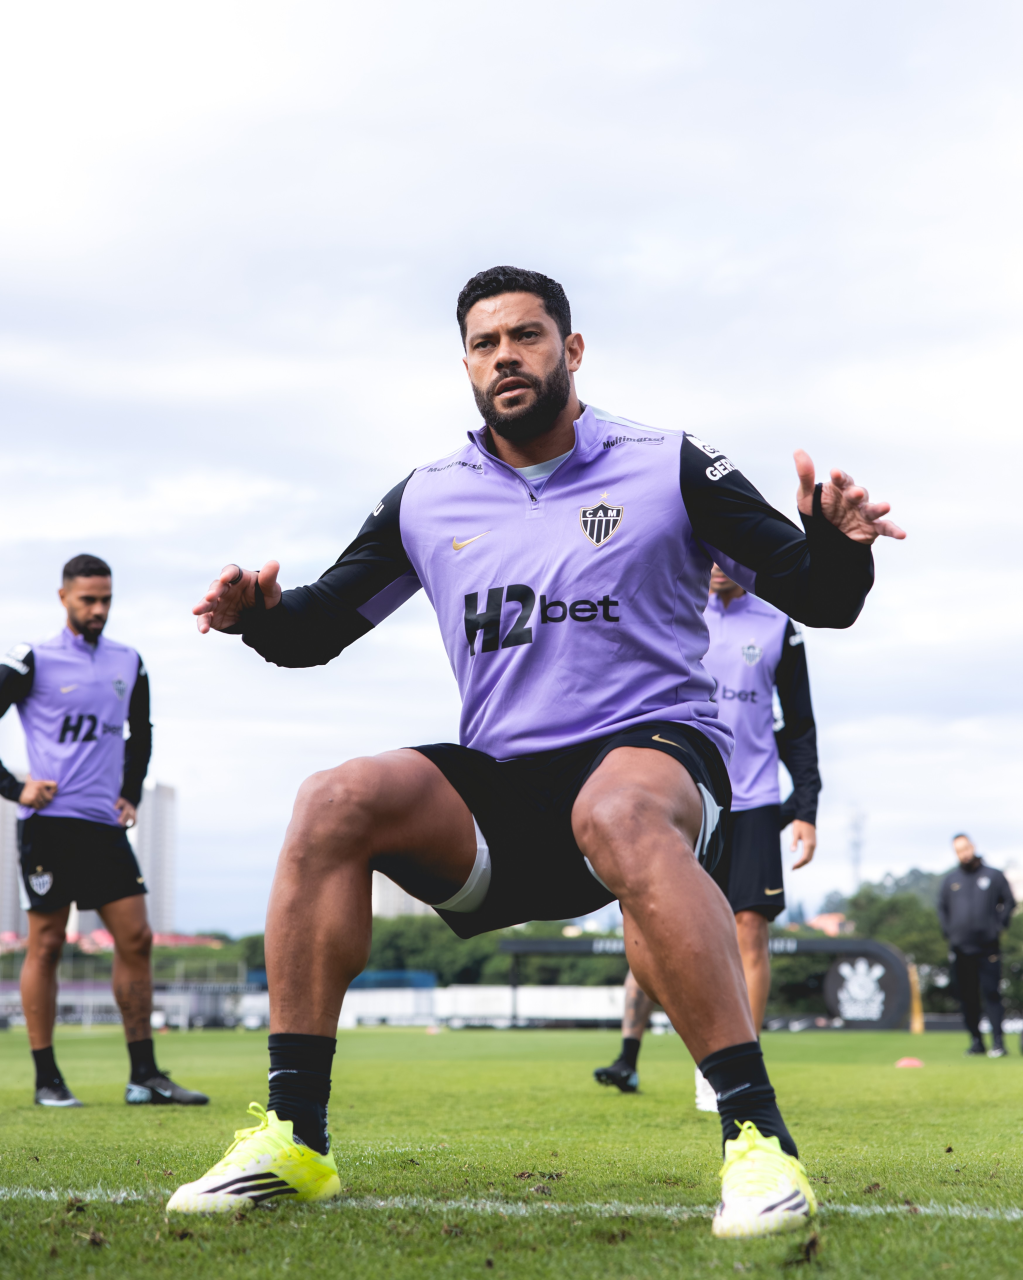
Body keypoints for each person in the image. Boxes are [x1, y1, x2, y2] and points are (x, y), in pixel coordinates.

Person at [171, 266, 903, 1238]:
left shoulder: (671, 464)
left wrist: (841, 545)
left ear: (572, 349)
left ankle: (758, 1141)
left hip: (653, 754)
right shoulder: (426, 498)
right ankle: (294, 1138)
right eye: (485, 343)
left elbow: (820, 594)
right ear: (465, 365)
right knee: (331, 797)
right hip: (506, 789)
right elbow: (316, 628)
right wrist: (256, 615)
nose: (506, 356)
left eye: (526, 335)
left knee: (618, 808)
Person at [595, 563, 820, 1107]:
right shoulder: (669, 606)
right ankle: (647, 1051)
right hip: (684, 796)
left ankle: (739, 1071)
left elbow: (799, 725)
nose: (717, 563)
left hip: (756, 800)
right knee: (658, 930)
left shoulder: (778, 625)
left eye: (726, 552)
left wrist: (806, 809)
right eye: (708, 553)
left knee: (750, 930)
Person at [0, 554, 208, 1108]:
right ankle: (47, 1079)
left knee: (137, 938)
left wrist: (131, 792)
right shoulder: (31, 658)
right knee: (46, 944)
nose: (98, 609)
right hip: (48, 825)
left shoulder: (128, 660)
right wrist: (13, 787)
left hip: (103, 826)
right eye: (88, 599)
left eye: (106, 599)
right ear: (63, 598)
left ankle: (145, 1076)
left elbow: (142, 731)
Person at [938, 834, 1016, 1058]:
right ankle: (976, 1042)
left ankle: (998, 1043)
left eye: (965, 848)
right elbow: (942, 908)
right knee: (967, 997)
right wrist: (950, 933)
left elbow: (1009, 901)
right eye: (958, 850)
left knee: (992, 993)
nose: (963, 854)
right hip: (961, 949)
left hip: (988, 948)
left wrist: (997, 926)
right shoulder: (951, 880)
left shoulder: (993, 876)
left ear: (972, 847)